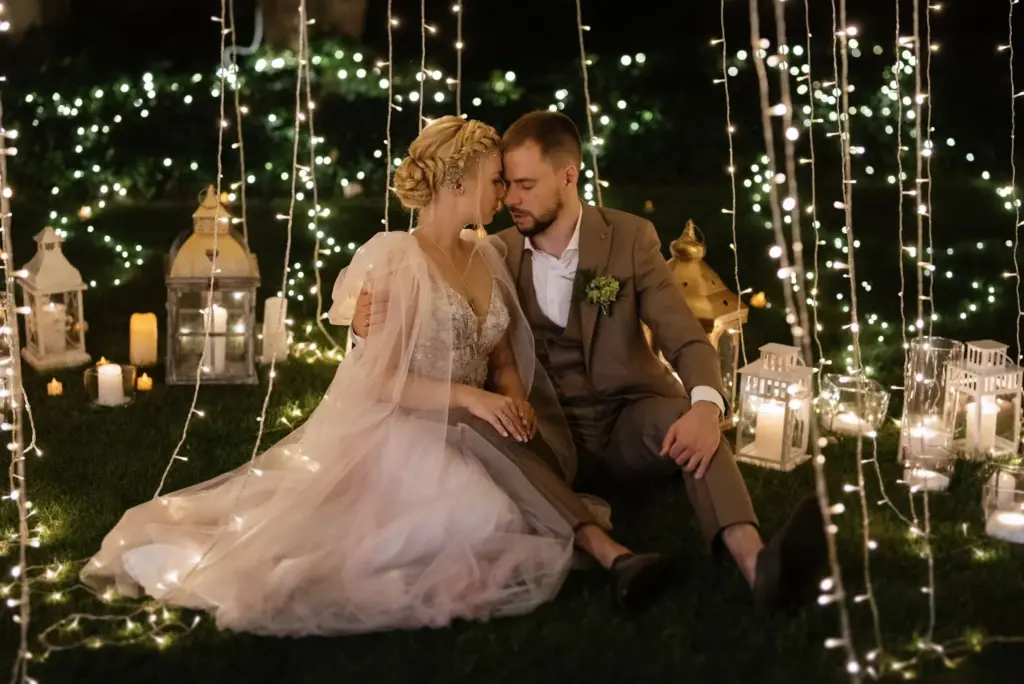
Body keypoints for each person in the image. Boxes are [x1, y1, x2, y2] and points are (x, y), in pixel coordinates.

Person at [80, 116, 680, 638]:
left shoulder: (488, 255)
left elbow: (499, 357)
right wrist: (471, 399)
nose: (504, 190)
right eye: (496, 178)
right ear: (458, 182)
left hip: (480, 420)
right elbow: (378, 381)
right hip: (411, 428)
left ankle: (609, 555)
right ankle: (610, 554)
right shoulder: (396, 260)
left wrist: (514, 397)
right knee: (480, 520)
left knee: (507, 479)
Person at [353, 111, 828, 612]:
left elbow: (685, 337)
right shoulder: (494, 252)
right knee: (485, 427)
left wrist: (708, 408)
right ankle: (611, 554)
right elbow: (445, 312)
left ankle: (758, 564)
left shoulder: (629, 237)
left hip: (630, 424)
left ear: (568, 175)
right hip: (546, 438)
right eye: (506, 184)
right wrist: (366, 325)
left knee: (688, 419)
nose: (511, 198)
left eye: (526, 184)